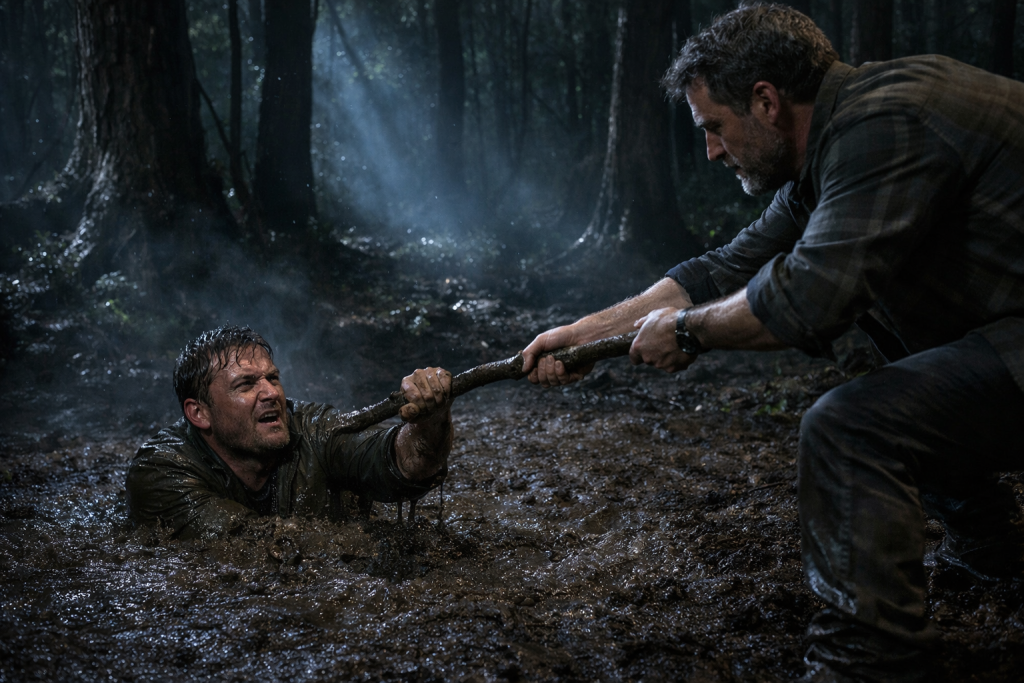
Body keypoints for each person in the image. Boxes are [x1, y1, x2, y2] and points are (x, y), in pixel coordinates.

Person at [523, 5, 1024, 682]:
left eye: (715, 128)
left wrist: (688, 333)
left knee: (853, 426)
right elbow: (723, 268)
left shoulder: (885, 124)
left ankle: (866, 664)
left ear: (766, 102)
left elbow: (807, 300)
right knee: (910, 374)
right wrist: (581, 336)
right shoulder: (838, 141)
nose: (711, 151)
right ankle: (990, 552)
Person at [127, 325, 453, 539]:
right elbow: (243, 546)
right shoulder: (161, 472)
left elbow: (406, 463)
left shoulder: (314, 431)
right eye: (246, 384)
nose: (272, 393)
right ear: (199, 413)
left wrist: (429, 422)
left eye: (273, 378)